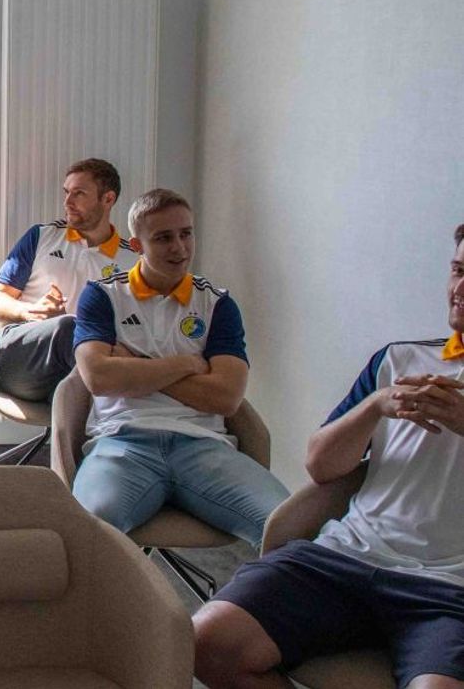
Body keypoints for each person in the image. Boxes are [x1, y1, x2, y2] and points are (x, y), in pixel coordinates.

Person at [194, 223, 464, 689]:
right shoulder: (397, 360)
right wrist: (374, 406)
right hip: (344, 558)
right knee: (204, 641)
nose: (459, 288)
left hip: (448, 590)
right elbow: (320, 466)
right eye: (458, 270)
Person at [70, 188, 288, 544]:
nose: (180, 248)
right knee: (86, 533)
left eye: (186, 234)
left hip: (204, 446)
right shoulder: (102, 295)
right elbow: (98, 377)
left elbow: (226, 397)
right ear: (137, 246)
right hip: (123, 442)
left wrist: (137, 366)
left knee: (289, 529)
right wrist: (187, 364)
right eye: (163, 238)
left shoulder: (217, 304)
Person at [0, 158, 138, 402]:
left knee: (99, 350)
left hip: (85, 366)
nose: (67, 202)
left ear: (108, 199)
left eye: (79, 194)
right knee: (70, 328)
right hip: (21, 360)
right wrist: (31, 311)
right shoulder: (42, 236)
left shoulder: (133, 259)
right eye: (67, 192)